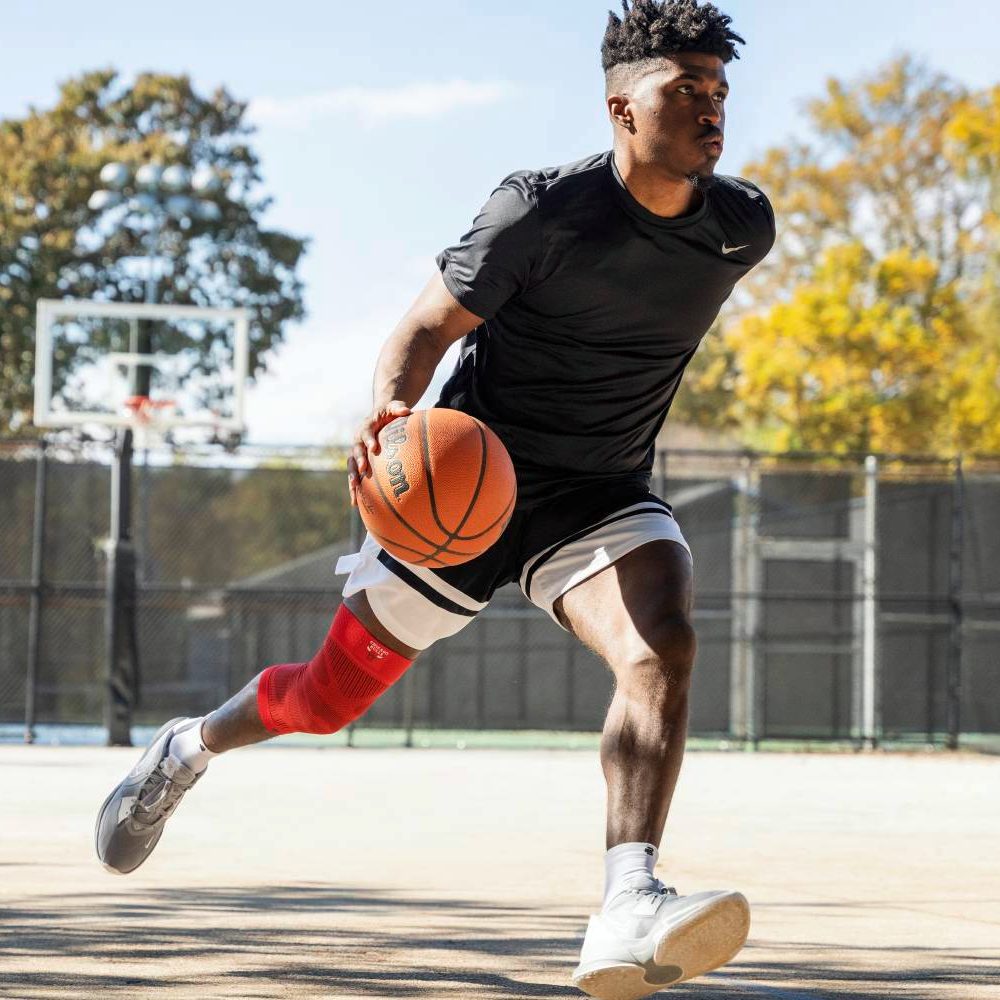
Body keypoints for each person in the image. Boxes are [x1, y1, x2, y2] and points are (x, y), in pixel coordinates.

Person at [95, 1, 774, 995]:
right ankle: (186, 745)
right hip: (467, 485)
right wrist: (388, 416)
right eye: (686, 91)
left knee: (659, 641)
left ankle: (626, 903)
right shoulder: (539, 211)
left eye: (719, 91)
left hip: (597, 494)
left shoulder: (738, 226)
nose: (712, 110)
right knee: (324, 701)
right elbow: (422, 330)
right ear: (622, 109)